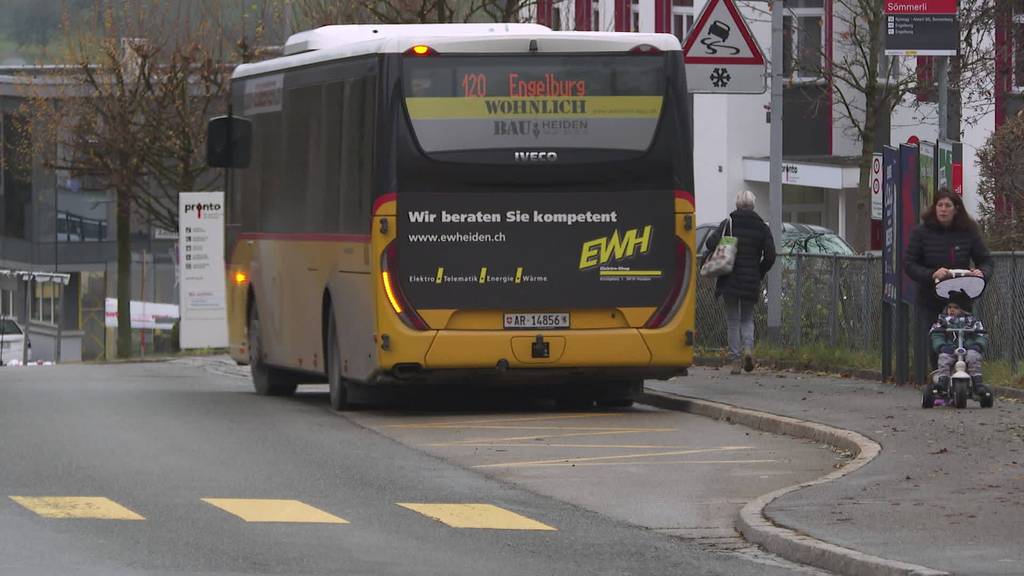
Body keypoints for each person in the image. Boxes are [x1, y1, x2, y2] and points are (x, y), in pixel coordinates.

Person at [905, 188, 993, 374]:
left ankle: (963, 377)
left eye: (948, 205)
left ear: (956, 209)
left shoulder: (968, 231)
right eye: (940, 205)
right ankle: (940, 379)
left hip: (960, 298)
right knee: (936, 341)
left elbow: (985, 259)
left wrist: (981, 273)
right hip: (931, 299)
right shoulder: (921, 233)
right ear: (934, 208)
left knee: (963, 338)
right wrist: (932, 274)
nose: (943, 209)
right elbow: (909, 264)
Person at [704, 190, 776, 375]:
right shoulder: (762, 227)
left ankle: (735, 360)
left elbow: (710, 243)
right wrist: (759, 271)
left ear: (737, 205)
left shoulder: (729, 223)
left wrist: (724, 241)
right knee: (747, 318)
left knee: (733, 321)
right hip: (751, 278)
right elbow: (770, 255)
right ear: (753, 205)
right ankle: (749, 350)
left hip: (729, 277)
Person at [929, 292, 987, 393]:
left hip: (968, 348)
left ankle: (977, 382)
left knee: (973, 357)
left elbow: (981, 334)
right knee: (944, 358)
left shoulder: (972, 322)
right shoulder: (943, 321)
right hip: (950, 348)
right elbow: (936, 335)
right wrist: (941, 346)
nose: (951, 310)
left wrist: (978, 344)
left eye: (955, 307)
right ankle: (943, 380)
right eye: (949, 307)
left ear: (963, 309)